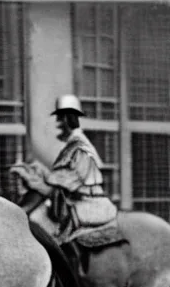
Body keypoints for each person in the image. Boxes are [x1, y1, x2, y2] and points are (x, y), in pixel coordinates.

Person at [17, 94, 117, 242]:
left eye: (60, 119)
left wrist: (33, 180)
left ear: (67, 119)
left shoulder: (79, 148)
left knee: (40, 223)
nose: (58, 123)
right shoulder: (73, 146)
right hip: (73, 201)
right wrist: (37, 171)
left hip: (88, 204)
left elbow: (58, 186)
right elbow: (57, 179)